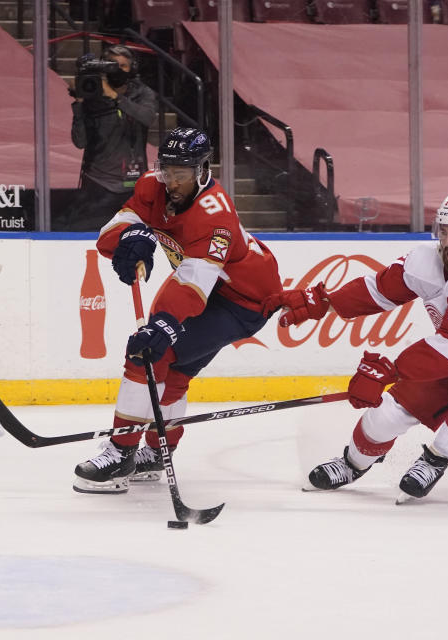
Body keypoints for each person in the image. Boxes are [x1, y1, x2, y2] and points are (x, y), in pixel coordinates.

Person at [276, 192, 448, 502]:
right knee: (387, 414)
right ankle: (352, 464)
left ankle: (435, 459)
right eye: (444, 231)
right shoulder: (425, 259)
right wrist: (326, 303)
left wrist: (389, 372)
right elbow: (377, 290)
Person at [73, 127, 284, 494]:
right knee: (173, 368)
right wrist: (130, 238)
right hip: (206, 285)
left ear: (202, 170)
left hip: (243, 300)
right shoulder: (152, 186)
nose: (171, 182)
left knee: (148, 349)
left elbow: (192, 285)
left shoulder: (215, 217)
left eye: (181, 174)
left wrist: (166, 324)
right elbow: (112, 230)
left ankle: (121, 453)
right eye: (167, 170)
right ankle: (157, 453)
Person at [60, 44, 156, 231]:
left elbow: (148, 118)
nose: (117, 69)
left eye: (123, 66)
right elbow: (80, 142)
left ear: (132, 69)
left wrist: (115, 97)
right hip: (98, 182)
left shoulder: (142, 93)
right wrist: (80, 104)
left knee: (135, 238)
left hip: (133, 182)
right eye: (112, 64)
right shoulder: (92, 92)